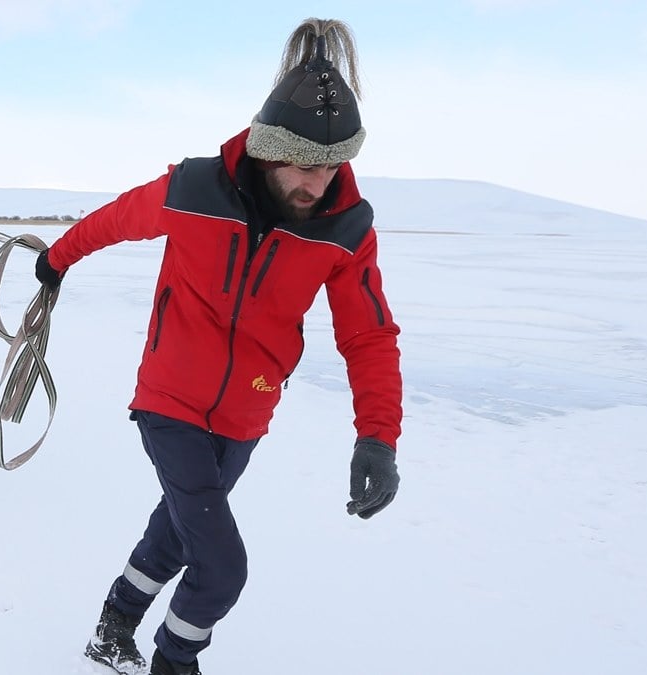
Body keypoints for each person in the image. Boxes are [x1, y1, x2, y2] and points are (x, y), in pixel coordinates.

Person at [33, 18, 402, 675]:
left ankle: (116, 619)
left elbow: (367, 332)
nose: (315, 185)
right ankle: (175, 660)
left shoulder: (346, 228)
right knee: (223, 564)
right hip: (169, 399)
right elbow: (117, 218)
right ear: (267, 145)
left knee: (180, 529)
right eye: (302, 165)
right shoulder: (196, 188)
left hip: (245, 415)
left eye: (331, 166)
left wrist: (378, 435)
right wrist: (57, 260)